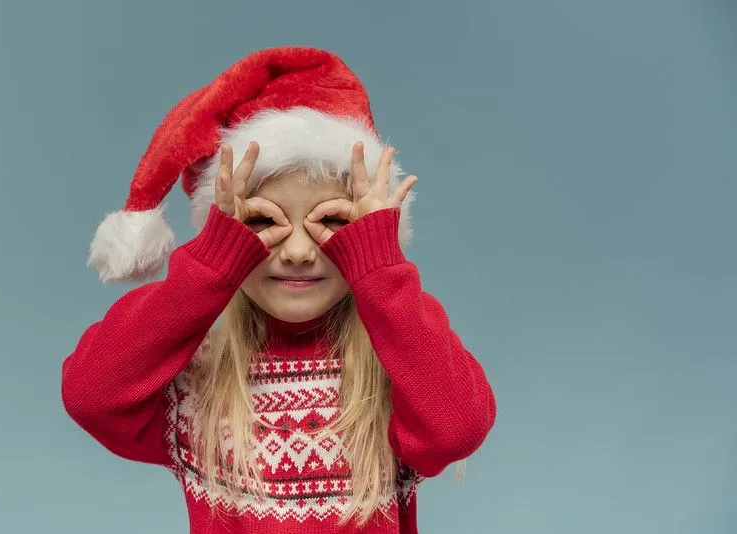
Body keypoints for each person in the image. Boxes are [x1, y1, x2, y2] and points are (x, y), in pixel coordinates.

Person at [61, 46, 496, 534]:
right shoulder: (199, 379)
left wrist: (381, 269)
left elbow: (457, 428)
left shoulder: (396, 368)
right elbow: (91, 396)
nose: (296, 252)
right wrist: (209, 263)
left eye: (331, 220)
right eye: (260, 221)